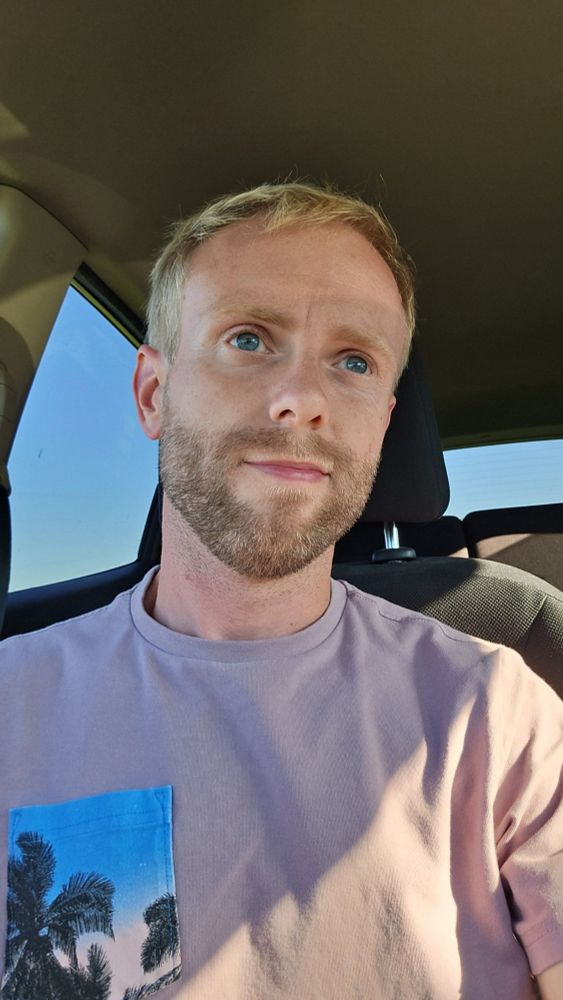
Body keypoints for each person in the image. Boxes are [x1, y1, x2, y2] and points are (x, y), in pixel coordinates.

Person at [0, 182, 561, 1000]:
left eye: (353, 361)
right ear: (153, 393)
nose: (302, 399)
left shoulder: (498, 709)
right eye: (248, 339)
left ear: (381, 421)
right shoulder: (12, 701)